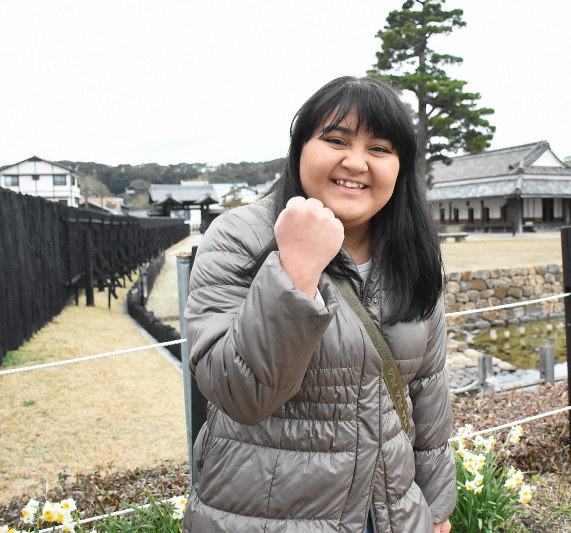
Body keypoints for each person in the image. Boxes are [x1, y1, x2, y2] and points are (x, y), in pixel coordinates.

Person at [182, 76, 456, 533]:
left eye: (380, 148)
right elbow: (239, 395)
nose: (356, 162)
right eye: (336, 140)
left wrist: (436, 507)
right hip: (263, 518)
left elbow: (428, 389)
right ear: (300, 148)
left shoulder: (409, 251)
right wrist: (295, 270)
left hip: (392, 516)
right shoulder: (239, 238)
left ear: (401, 166)